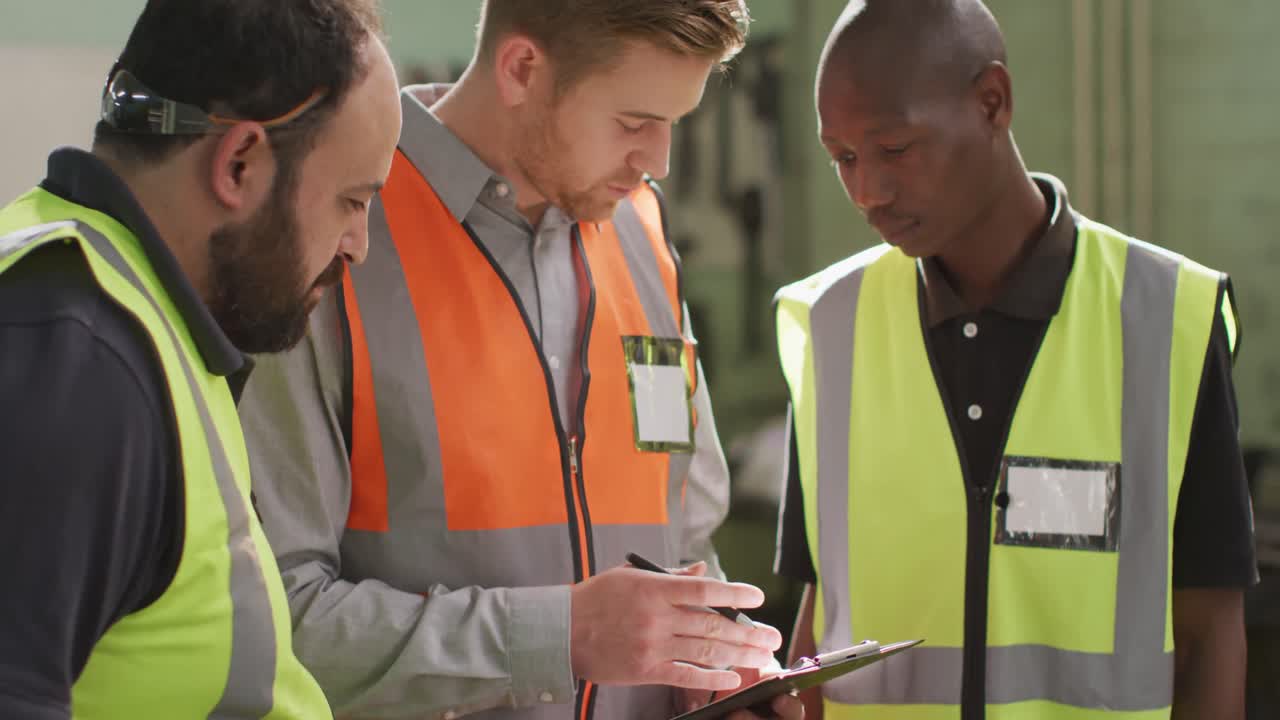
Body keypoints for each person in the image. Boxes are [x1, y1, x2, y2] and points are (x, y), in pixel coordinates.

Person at [237, 2, 802, 719]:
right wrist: (561, 636)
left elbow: (686, 539)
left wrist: (716, 669)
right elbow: (280, 621)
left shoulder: (643, 235)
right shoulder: (336, 237)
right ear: (523, 69)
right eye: (633, 123)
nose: (658, 161)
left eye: (674, 123)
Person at [773, 1, 1257, 719]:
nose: (868, 192)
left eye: (895, 148)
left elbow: (1210, 629)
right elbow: (817, 622)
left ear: (991, 102)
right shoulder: (828, 322)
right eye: (843, 158)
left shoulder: (1166, 316)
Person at [0, 1, 401, 717]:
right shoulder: (78, 360)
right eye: (351, 201)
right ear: (240, 162)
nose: (357, 244)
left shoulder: (130, 321)